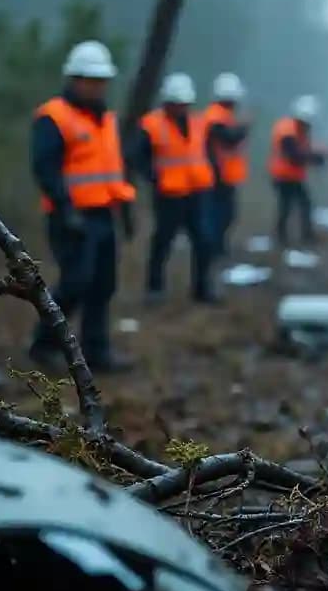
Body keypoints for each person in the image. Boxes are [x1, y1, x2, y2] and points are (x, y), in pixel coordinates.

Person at [27, 40, 138, 373]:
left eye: (102, 81)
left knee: (103, 285)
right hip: (71, 217)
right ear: (74, 79)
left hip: (103, 215)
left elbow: (113, 171)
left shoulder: (106, 120)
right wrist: (65, 209)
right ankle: (43, 345)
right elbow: (46, 168)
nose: (98, 86)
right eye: (91, 80)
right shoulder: (54, 117)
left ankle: (97, 352)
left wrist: (126, 211)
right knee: (75, 282)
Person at [136, 73, 218, 305]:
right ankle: (154, 288)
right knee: (163, 241)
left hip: (197, 192)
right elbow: (138, 157)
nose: (180, 108)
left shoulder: (198, 122)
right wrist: (154, 178)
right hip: (169, 195)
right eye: (176, 104)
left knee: (204, 241)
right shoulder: (152, 124)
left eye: (184, 104)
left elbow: (205, 151)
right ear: (167, 103)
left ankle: (202, 288)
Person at [201, 72, 251, 259]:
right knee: (218, 216)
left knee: (227, 215)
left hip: (225, 176)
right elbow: (229, 138)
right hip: (217, 176)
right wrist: (244, 127)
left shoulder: (224, 115)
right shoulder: (215, 116)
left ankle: (218, 247)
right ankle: (214, 249)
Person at [269, 94, 326, 247]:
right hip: (283, 176)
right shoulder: (287, 130)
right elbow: (294, 155)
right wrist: (316, 157)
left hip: (294, 176)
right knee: (287, 206)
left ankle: (303, 234)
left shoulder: (301, 130)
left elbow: (303, 152)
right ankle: (283, 237)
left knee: (301, 204)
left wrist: (318, 156)